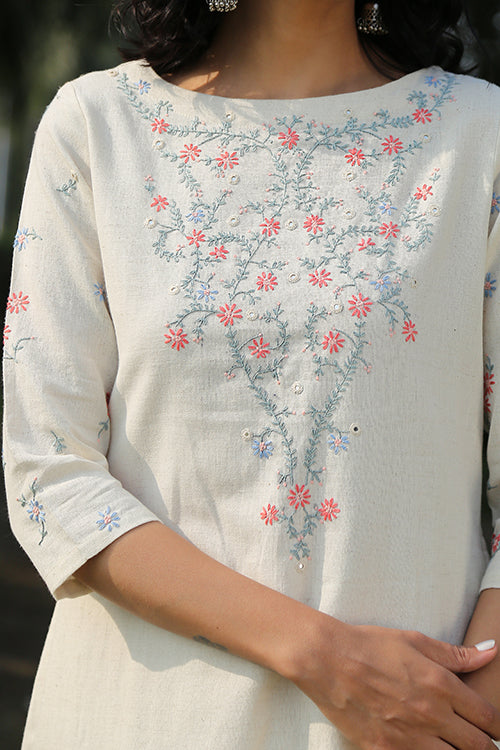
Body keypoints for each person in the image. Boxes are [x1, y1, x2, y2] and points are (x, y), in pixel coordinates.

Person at [4, 0, 500, 747]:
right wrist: (325, 657)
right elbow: (49, 474)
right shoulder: (96, 127)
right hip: (140, 723)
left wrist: (466, 715)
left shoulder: (480, 136)